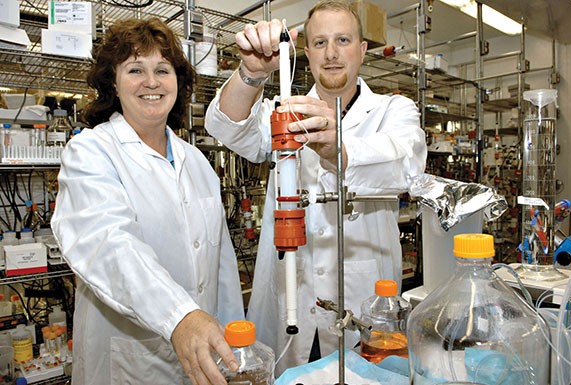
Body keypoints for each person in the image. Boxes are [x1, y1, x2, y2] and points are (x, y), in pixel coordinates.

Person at [205, 0, 427, 375]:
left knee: (363, 376)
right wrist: (251, 72)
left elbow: (407, 165)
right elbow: (227, 126)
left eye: (343, 39)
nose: (332, 53)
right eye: (320, 42)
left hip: (362, 296)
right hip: (291, 291)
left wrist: (336, 148)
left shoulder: (393, 111)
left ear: (362, 49)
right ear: (306, 52)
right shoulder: (284, 107)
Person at [51, 17, 244, 385]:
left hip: (203, 354)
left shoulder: (197, 161)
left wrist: (231, 343)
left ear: (177, 82)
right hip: (130, 364)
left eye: (163, 70)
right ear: (113, 82)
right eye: (135, 69)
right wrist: (179, 315)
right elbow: (110, 244)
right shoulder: (91, 151)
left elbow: (222, 269)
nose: (151, 82)